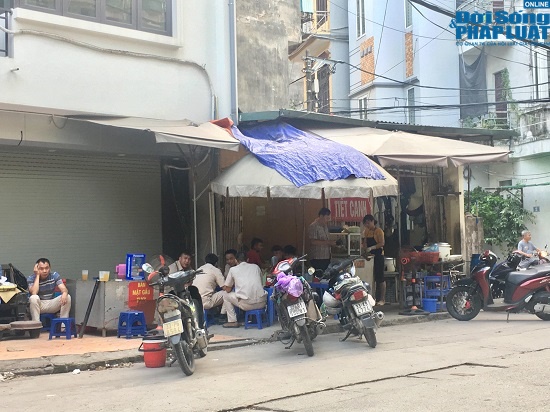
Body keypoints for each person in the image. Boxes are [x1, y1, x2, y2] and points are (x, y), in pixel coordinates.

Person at [221, 250, 267, 328]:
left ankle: (232, 321)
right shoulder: (256, 267)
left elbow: (228, 290)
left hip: (247, 305)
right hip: (262, 303)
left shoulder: (233, 269)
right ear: (248, 259)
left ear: (236, 260)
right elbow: (260, 282)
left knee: (225, 295)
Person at [168, 251, 205, 329]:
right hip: (171, 291)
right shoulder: (172, 268)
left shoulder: (189, 268)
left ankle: (200, 322)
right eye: (185, 258)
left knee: (194, 290)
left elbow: (190, 281)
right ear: (180, 259)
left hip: (183, 291)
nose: (187, 261)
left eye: (189, 259)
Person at [27, 258, 71, 322]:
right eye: (41, 269)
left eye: (46, 268)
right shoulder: (31, 278)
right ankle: (36, 324)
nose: (45, 271)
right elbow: (34, 292)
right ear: (37, 269)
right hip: (39, 305)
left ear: (50, 268)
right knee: (33, 298)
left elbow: (64, 289)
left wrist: (64, 293)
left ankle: (63, 325)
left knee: (67, 296)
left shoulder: (54, 275)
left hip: (51, 303)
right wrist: (37, 275)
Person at [363, 214, 386, 306]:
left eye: (368, 223)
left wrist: (372, 247)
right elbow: (365, 242)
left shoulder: (379, 231)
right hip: (370, 257)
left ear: (373, 221)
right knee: (371, 277)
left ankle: (382, 299)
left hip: (379, 256)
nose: (367, 225)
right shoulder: (366, 231)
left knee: (380, 278)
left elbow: (382, 243)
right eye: (366, 223)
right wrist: (365, 248)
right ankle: (373, 298)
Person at [308, 207, 336, 271]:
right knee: (319, 275)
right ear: (321, 216)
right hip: (317, 257)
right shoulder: (313, 226)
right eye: (327, 218)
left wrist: (332, 243)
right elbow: (313, 241)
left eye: (328, 218)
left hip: (326, 256)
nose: (328, 220)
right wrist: (328, 242)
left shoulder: (325, 226)